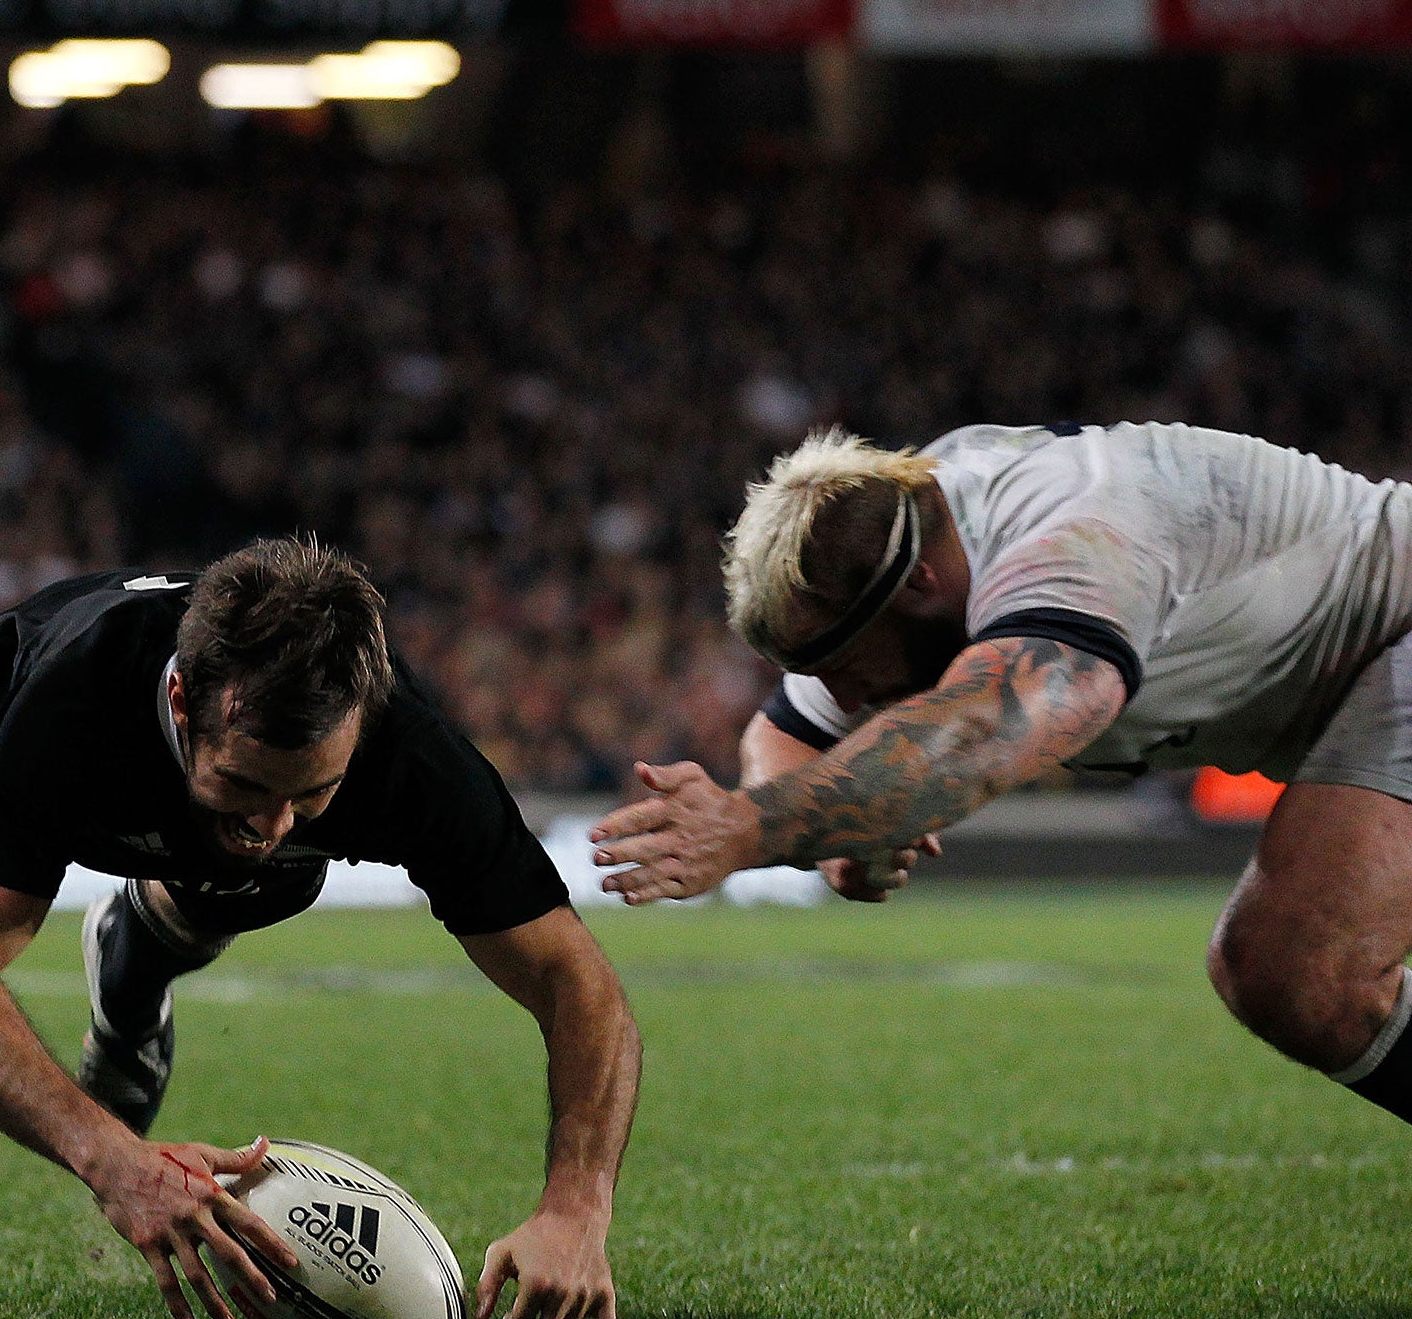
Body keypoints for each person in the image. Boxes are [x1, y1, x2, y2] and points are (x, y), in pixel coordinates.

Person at [0, 537, 638, 1319]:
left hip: (215, 834)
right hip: (18, 692)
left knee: (278, 876)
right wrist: (117, 1163)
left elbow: (573, 978)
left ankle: (135, 965)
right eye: (247, 784)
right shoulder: (75, 702)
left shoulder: (411, 758)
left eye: (313, 792)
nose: (274, 823)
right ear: (185, 703)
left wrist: (576, 1208)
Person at [592, 423, 1412, 1130]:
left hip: (1399, 627)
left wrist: (752, 828)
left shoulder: (1075, 536)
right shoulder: (901, 547)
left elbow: (985, 730)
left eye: (840, 661)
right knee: (1290, 967)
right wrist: (836, 837)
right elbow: (787, 732)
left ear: (918, 586)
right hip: (1359, 682)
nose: (843, 695)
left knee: (1301, 967)